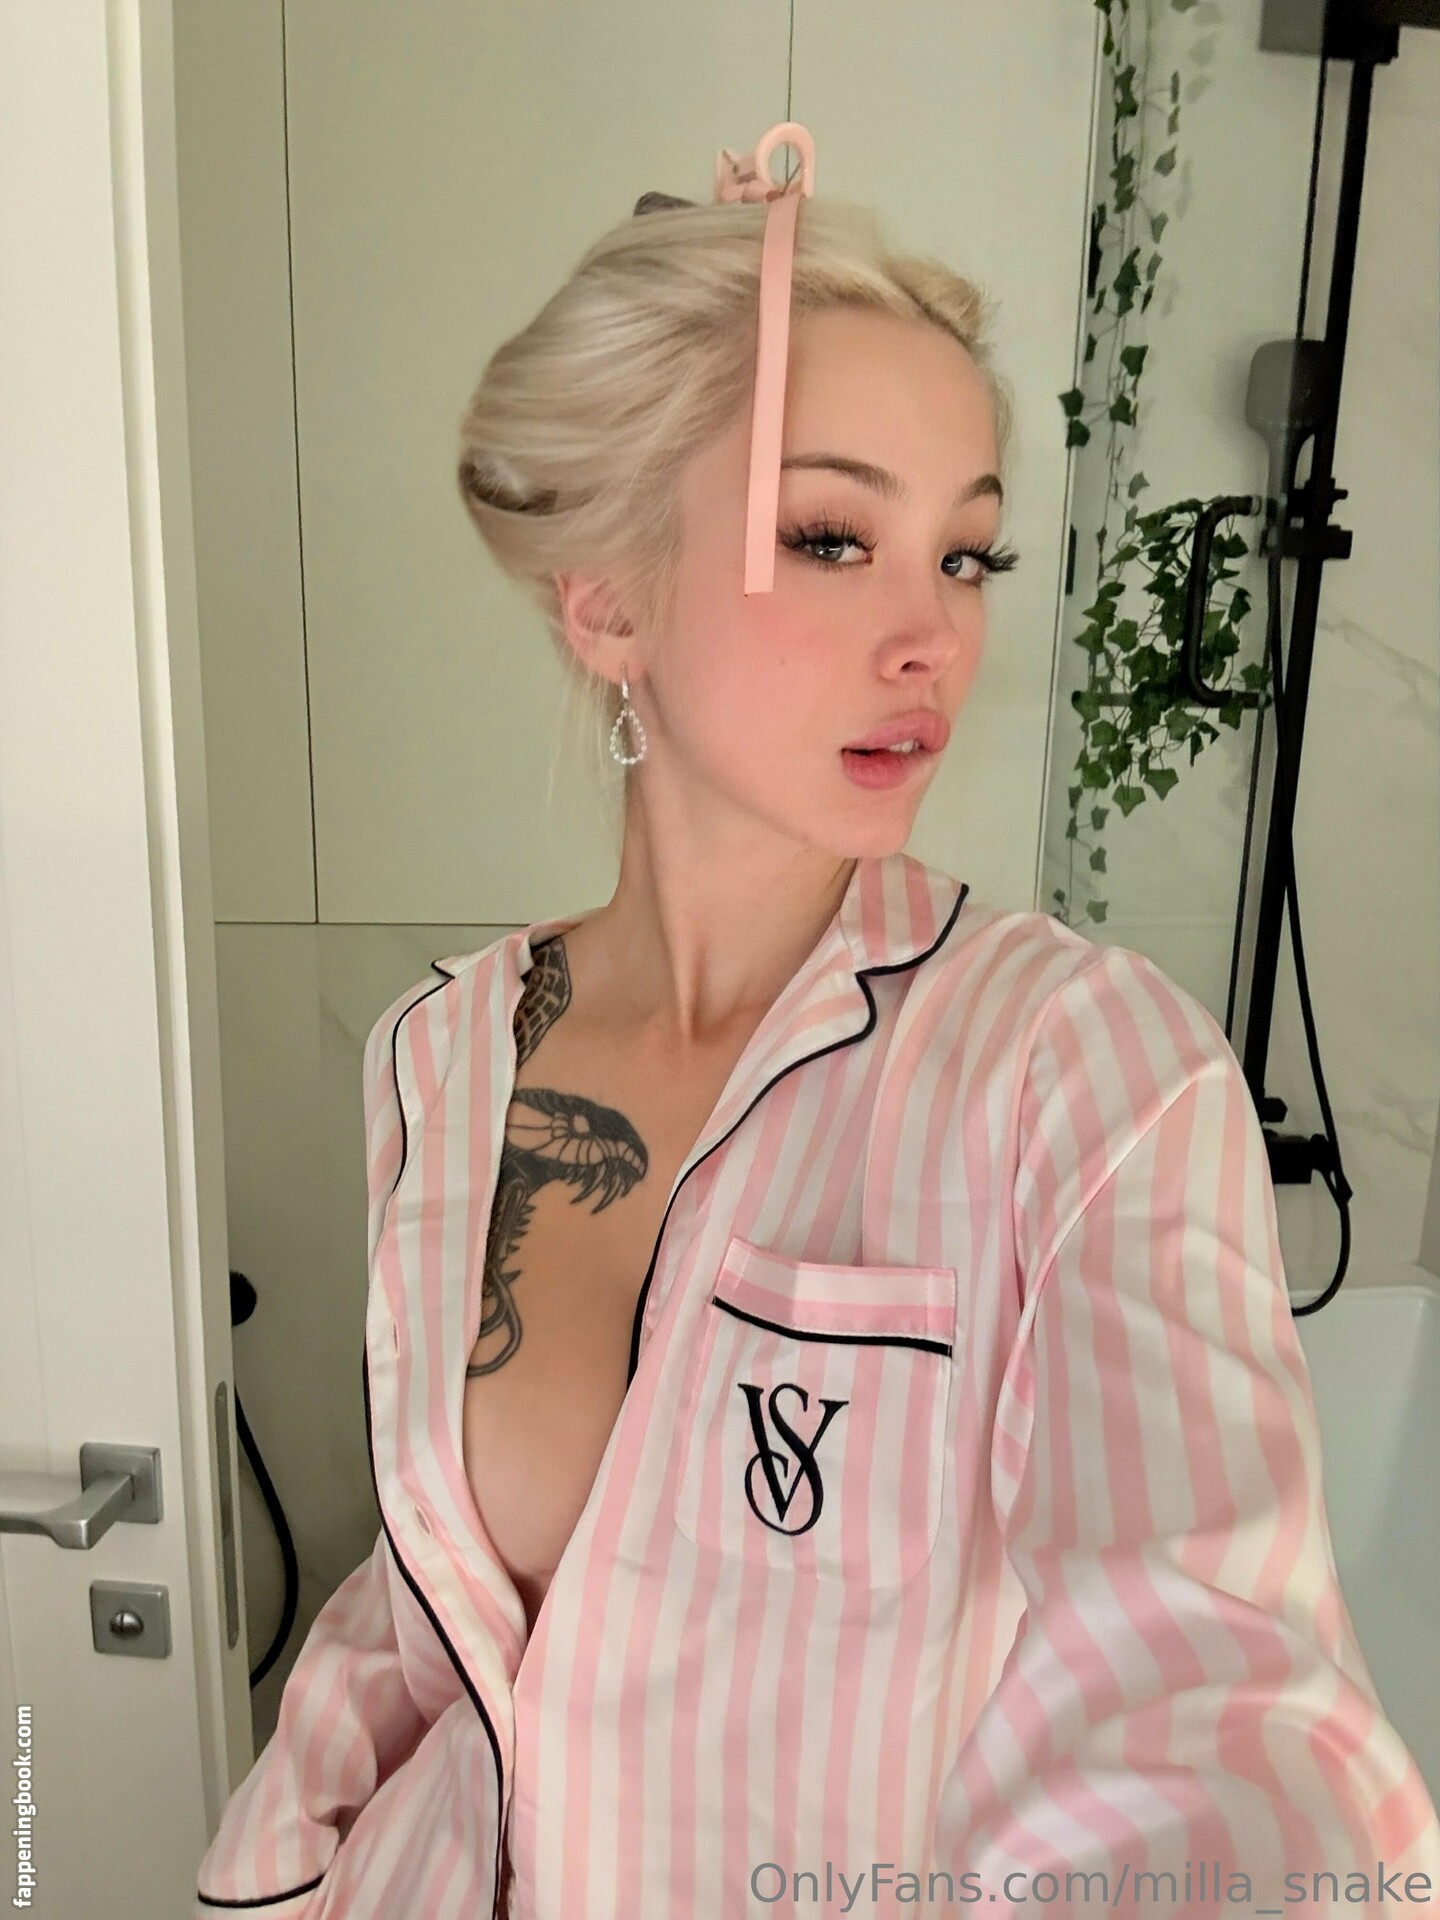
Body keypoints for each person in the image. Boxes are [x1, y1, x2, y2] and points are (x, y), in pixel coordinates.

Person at [193, 125, 1440, 1920]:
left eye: (969, 555)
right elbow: (420, 1609)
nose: (934, 633)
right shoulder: (442, 1050)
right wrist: (270, 1872)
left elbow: (1214, 1697)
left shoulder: (1082, 1071)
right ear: (608, 600)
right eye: (834, 537)